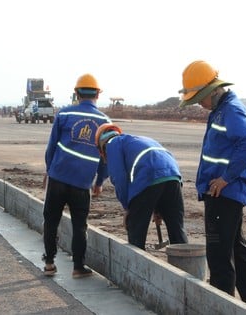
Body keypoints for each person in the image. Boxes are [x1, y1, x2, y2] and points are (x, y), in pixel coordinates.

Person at [178, 60, 246, 312]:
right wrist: (244, 182)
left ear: (211, 90)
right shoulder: (221, 110)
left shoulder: (231, 111)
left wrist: (229, 179)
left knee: (219, 258)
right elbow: (231, 150)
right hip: (226, 192)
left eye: (199, 98)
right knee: (237, 251)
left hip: (223, 195)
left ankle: (221, 307)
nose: (197, 103)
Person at [42, 73, 112, 278]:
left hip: (58, 178)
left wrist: (49, 170)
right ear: (98, 95)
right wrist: (99, 181)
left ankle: (49, 263)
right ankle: (78, 267)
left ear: (77, 93)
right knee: (80, 225)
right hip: (82, 183)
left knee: (51, 220)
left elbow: (51, 148)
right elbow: (105, 158)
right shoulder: (105, 122)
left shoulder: (64, 115)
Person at [94, 123, 188, 250]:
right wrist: (159, 208)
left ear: (101, 147)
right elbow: (161, 169)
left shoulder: (112, 144)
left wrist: (128, 208)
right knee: (176, 228)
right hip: (173, 177)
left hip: (148, 177)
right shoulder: (138, 140)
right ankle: (184, 264)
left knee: (136, 228)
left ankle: (135, 264)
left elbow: (119, 177)